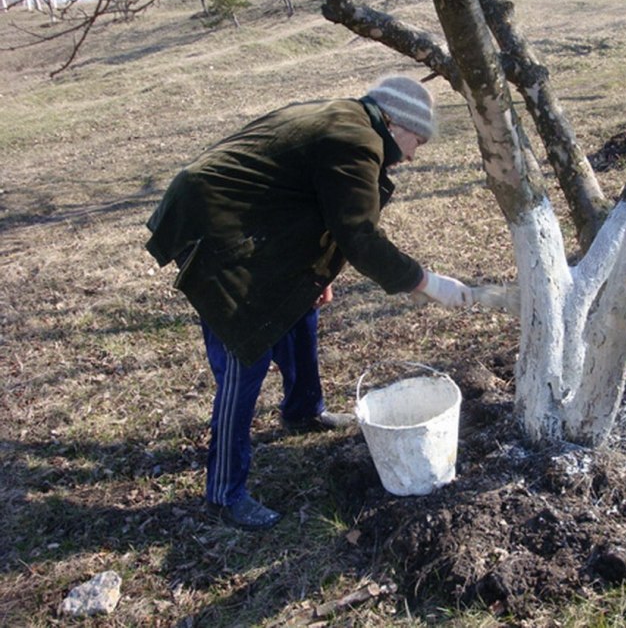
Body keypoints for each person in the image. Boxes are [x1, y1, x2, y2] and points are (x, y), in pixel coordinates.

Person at [145, 75, 474, 530]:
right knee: (247, 347)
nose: (413, 155)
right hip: (215, 224)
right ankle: (223, 493)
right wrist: (428, 284)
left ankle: (302, 411)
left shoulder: (350, 122)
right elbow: (358, 234)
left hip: (251, 221)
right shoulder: (355, 139)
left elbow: (310, 201)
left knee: (299, 308)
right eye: (417, 141)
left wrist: (315, 272)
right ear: (396, 123)